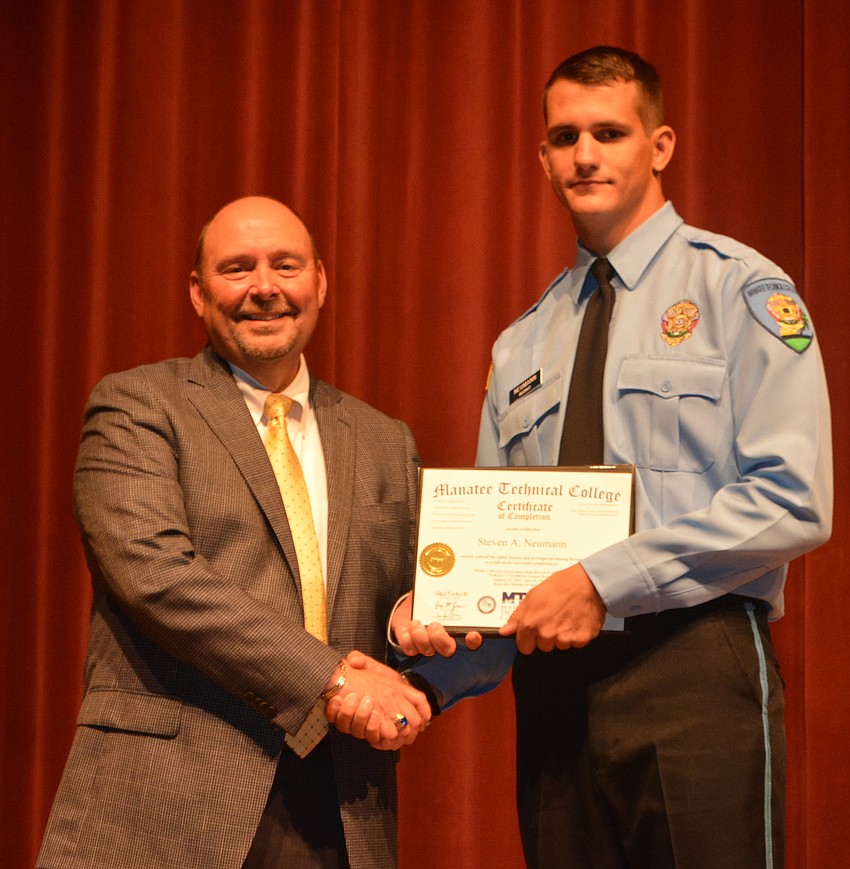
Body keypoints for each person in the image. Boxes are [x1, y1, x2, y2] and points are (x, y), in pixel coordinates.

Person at [383, 46, 833, 868]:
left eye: (609, 132)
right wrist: (431, 651)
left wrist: (601, 579)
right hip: (554, 693)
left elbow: (793, 497)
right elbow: (497, 569)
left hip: (694, 662)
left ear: (658, 146)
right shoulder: (522, 342)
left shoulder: (739, 290)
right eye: (565, 136)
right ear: (543, 156)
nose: (585, 155)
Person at [37, 195, 432, 869]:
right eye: (237, 268)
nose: (264, 288)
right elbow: (155, 574)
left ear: (321, 282)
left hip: (337, 809)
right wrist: (331, 678)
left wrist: (415, 626)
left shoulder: (384, 439)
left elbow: (412, 594)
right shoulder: (137, 405)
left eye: (285, 265)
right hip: (167, 804)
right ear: (198, 292)